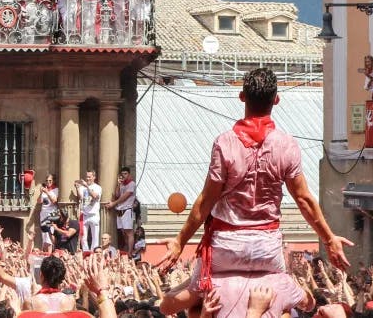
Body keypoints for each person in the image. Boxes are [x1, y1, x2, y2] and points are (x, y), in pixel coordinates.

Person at [157, 68, 352, 318]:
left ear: (241, 97)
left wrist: (180, 241)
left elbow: (206, 201)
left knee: (192, 303)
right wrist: (328, 239)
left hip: (225, 248)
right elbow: (304, 199)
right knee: (285, 297)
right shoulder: (287, 144)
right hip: (266, 248)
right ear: (277, 100)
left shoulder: (225, 143)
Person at [103, 166, 136, 254]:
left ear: (129, 174)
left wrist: (113, 203)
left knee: (129, 232)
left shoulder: (132, 184)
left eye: (125, 174)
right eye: (122, 174)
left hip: (127, 210)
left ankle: (130, 252)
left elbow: (125, 196)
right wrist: (118, 184)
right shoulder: (122, 184)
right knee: (123, 232)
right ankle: (126, 249)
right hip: (120, 210)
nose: (124, 176)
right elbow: (117, 195)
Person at [74, 170, 103, 251]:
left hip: (94, 215)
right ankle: (85, 253)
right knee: (83, 237)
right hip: (85, 214)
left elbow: (95, 197)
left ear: (94, 177)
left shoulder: (98, 187)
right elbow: (80, 197)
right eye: (87, 177)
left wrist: (87, 186)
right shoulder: (82, 187)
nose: (87, 178)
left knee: (95, 237)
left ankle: (94, 253)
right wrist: (77, 188)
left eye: (89, 177)